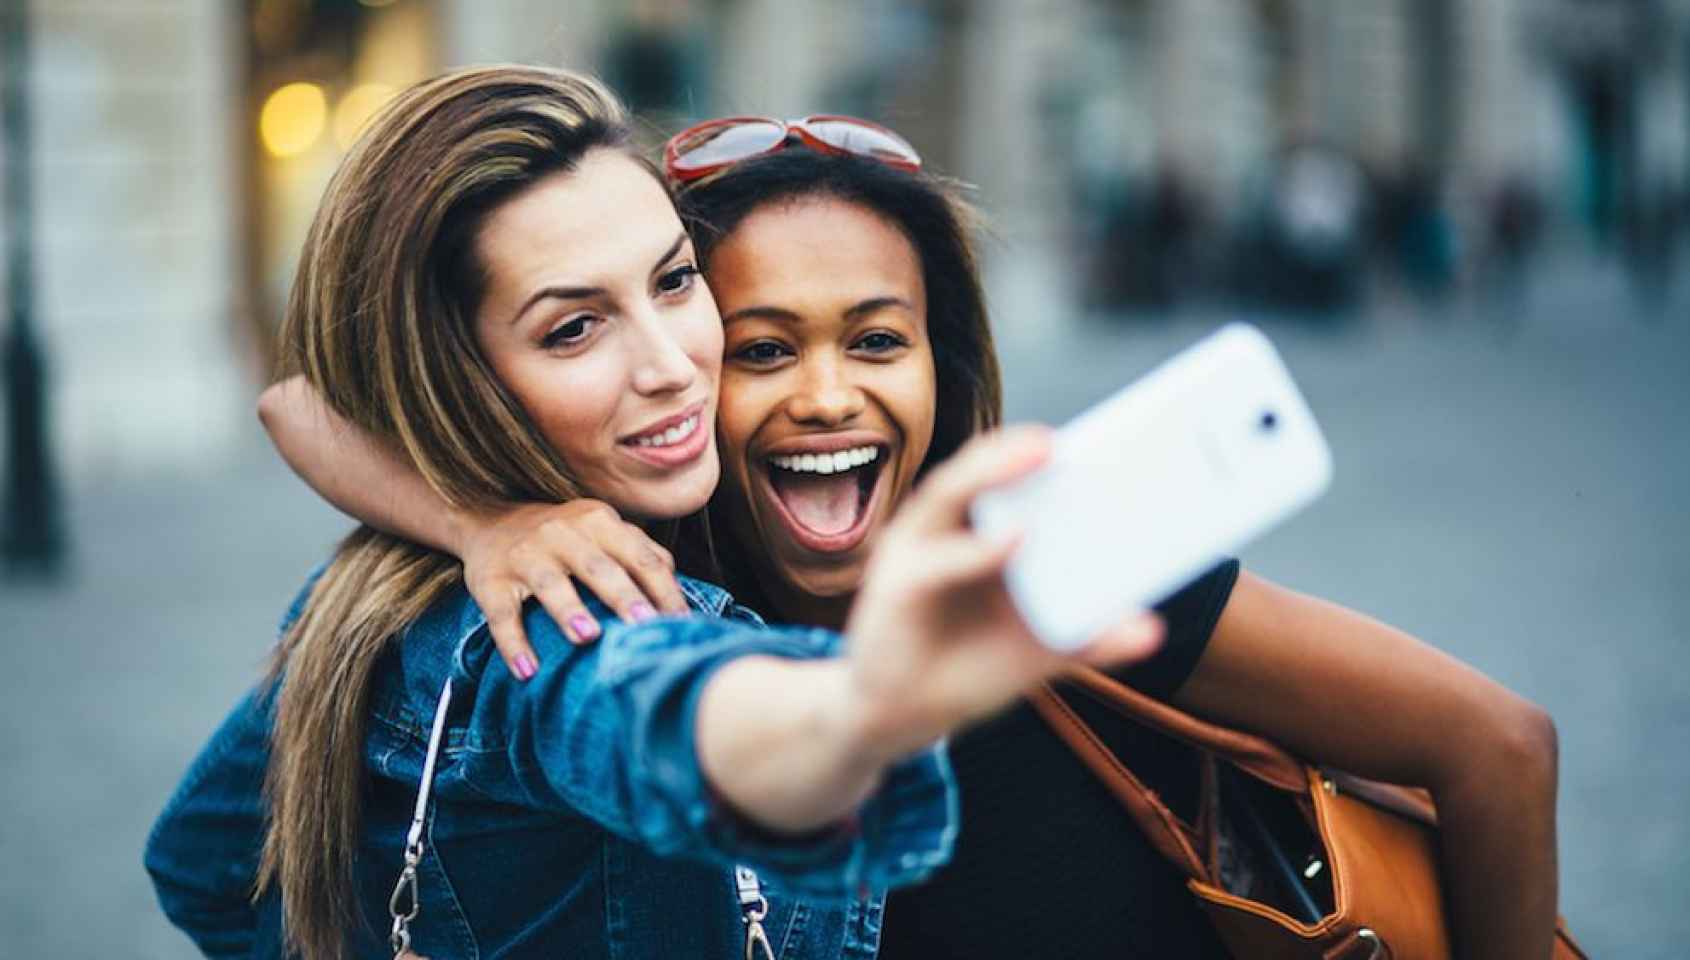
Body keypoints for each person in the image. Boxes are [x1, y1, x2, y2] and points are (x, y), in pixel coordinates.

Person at [254, 120, 1559, 956]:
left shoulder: (1052, 556)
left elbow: (1495, 744)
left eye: (878, 340)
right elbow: (298, 400)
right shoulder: (640, 584)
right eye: (763, 350)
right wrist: (485, 521)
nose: (827, 396)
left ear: (948, 368)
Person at [142, 67, 1165, 960]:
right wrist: (861, 711)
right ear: (455, 377)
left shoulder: (371, 589)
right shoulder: (552, 622)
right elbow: (663, 716)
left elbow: (200, 859)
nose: (672, 367)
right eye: (574, 328)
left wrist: (473, 522)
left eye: (674, 282)